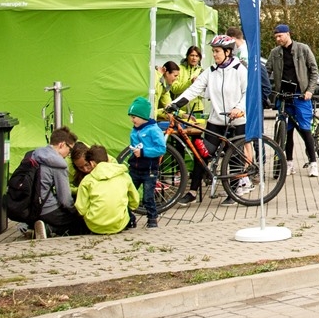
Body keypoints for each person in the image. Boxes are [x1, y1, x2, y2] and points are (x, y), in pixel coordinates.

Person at [168, 34, 248, 204]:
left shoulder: (239, 70)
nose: (214, 54)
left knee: (233, 157)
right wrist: (174, 104)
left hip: (237, 121)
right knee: (201, 155)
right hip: (216, 121)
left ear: (228, 52)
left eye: (217, 51)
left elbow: (248, 94)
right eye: (213, 51)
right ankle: (193, 192)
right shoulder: (211, 71)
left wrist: (239, 108)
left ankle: (233, 193)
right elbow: (194, 90)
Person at [266, 24, 319, 177]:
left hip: (300, 95)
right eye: (275, 37)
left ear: (288, 34)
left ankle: (313, 163)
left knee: (305, 128)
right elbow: (267, 71)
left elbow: (314, 70)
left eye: (280, 36)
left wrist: (309, 90)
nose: (278, 39)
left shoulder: (303, 49)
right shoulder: (274, 53)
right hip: (283, 95)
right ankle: (289, 163)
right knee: (287, 131)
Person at [33, 127, 88, 237]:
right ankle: (49, 229)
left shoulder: (37, 154)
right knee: (81, 224)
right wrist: (77, 212)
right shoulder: (59, 164)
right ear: (62, 145)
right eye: (70, 149)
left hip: (32, 206)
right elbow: (65, 200)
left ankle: (31, 226)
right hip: (47, 209)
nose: (69, 154)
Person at [74, 145, 140, 235]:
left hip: (95, 226)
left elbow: (81, 208)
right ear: (108, 160)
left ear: (92, 163)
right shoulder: (124, 175)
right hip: (119, 224)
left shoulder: (87, 181)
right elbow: (135, 202)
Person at [126, 96, 166, 227]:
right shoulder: (135, 129)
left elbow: (161, 148)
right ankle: (128, 218)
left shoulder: (153, 130)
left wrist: (143, 152)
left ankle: (152, 218)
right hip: (135, 168)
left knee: (148, 197)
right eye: (131, 117)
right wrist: (134, 152)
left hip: (149, 169)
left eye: (134, 117)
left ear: (142, 116)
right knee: (128, 194)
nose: (132, 120)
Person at [173, 45, 205, 118]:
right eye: (192, 55)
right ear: (187, 56)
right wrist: (190, 82)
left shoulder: (202, 71)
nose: (194, 58)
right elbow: (174, 89)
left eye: (197, 56)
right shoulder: (178, 69)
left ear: (200, 58)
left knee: (197, 129)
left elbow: (205, 92)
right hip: (181, 108)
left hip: (197, 108)